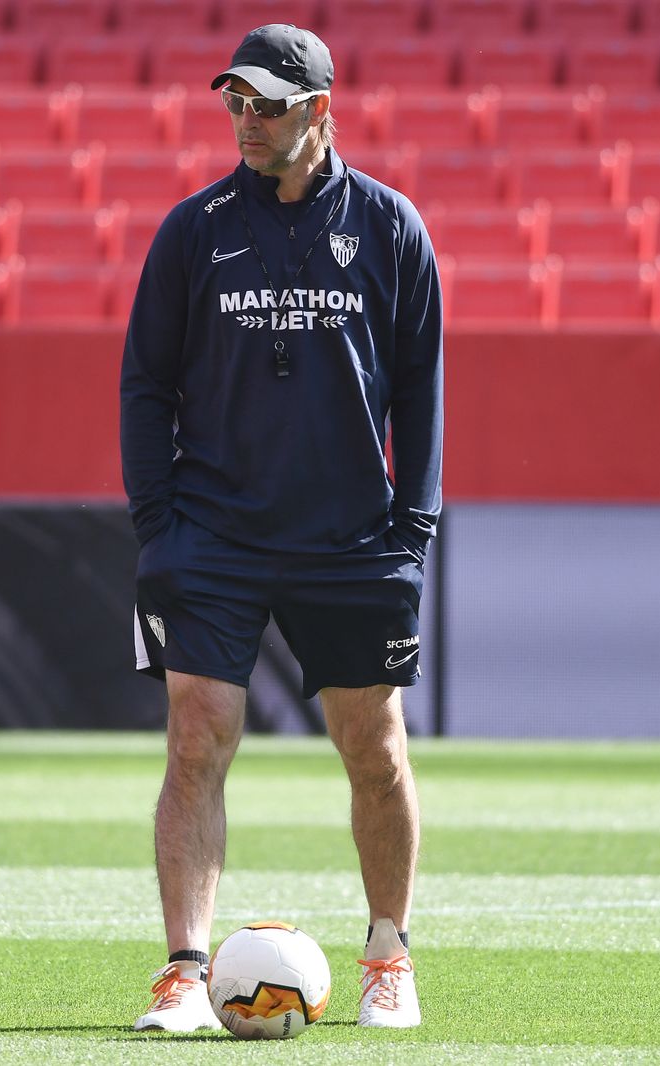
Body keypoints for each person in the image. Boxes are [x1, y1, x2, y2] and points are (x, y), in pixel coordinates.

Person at [119, 22, 443, 1034]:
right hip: (210, 534)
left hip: (349, 537)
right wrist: (157, 522)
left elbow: (423, 392)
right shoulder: (194, 228)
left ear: (317, 109)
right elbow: (143, 383)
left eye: (265, 104)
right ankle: (181, 971)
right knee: (195, 737)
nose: (245, 121)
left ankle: (388, 954)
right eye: (235, 103)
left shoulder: (392, 228)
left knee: (373, 747)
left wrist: (414, 527)